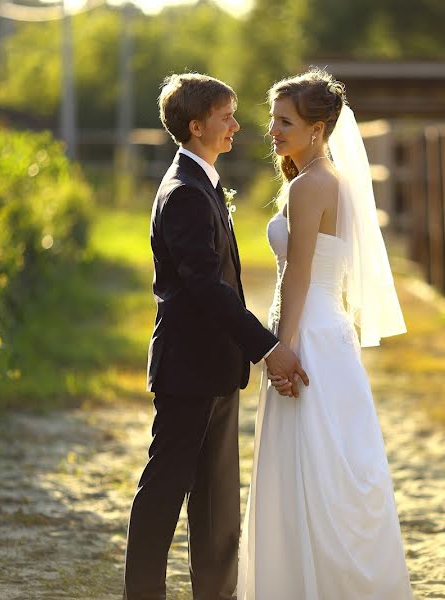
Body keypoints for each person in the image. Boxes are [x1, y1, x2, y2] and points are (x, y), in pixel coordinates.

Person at [123, 72, 308, 600]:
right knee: (164, 492)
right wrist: (268, 347)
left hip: (217, 367)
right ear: (197, 125)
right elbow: (206, 288)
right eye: (227, 117)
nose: (236, 125)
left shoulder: (200, 182)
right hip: (189, 368)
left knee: (218, 501)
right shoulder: (183, 192)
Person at [236, 68, 414, 599]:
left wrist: (281, 350)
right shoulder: (329, 179)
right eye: (273, 120)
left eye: (284, 121)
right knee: (329, 462)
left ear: (317, 128)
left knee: (310, 464)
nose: (272, 130)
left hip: (307, 330)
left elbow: (299, 272)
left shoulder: (310, 185)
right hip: (326, 328)